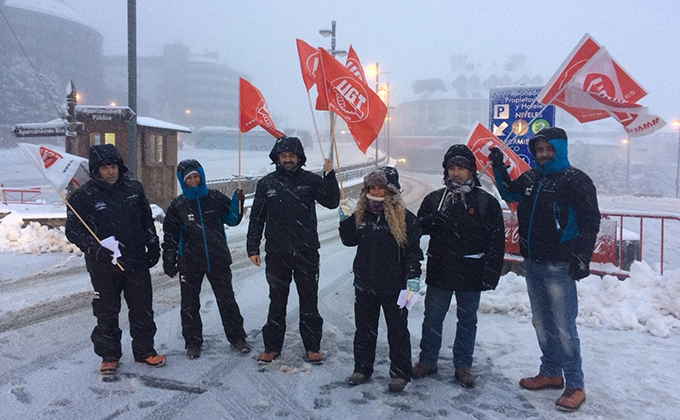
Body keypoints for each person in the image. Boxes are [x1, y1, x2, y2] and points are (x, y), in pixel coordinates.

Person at [488, 127, 600, 412]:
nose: (544, 154)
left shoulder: (576, 181)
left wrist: (581, 256)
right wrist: (498, 167)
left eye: (549, 149)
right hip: (533, 263)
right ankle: (551, 372)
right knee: (541, 323)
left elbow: (589, 221)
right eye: (540, 150)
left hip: (560, 265)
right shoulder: (532, 177)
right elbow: (508, 192)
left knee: (564, 327)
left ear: (560, 149)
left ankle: (575, 384)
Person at [65, 144, 165, 375]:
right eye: (105, 168)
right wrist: (93, 248)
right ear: (95, 170)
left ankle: (145, 351)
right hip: (103, 265)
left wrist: (152, 244)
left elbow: (146, 220)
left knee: (142, 308)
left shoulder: (134, 188)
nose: (111, 172)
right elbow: (74, 230)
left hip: (136, 260)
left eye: (113, 166)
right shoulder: (83, 196)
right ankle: (109, 355)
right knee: (106, 311)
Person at [411, 144, 505, 389]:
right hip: (441, 267)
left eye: (461, 168)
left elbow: (497, 240)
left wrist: (491, 272)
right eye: (451, 167)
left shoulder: (486, 202)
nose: (456, 173)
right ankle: (428, 360)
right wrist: (430, 221)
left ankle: (463, 365)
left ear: (472, 171)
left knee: (467, 319)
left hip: (471, 270)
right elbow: (416, 229)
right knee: (432, 317)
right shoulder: (435, 199)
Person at [246, 136, 340, 365]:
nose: (288, 160)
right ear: (277, 158)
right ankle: (271, 347)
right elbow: (257, 217)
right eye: (284, 156)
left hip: (306, 251)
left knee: (309, 300)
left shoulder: (310, 181)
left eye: (292, 156)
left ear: (300, 157)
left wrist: (329, 176)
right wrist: (252, 246)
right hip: (277, 252)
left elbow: (331, 201)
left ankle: (312, 346)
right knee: (277, 300)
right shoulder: (266, 183)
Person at [339, 167, 423, 393]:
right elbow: (349, 241)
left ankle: (400, 373)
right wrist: (346, 219)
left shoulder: (405, 218)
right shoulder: (362, 214)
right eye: (372, 187)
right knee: (364, 330)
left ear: (391, 190)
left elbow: (413, 251)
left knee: (398, 331)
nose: (376, 191)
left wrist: (413, 277)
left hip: (396, 287)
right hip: (365, 283)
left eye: (381, 187)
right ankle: (362, 368)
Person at [162, 159, 250, 360]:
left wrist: (238, 203)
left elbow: (232, 220)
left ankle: (237, 337)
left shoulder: (215, 197)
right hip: (189, 261)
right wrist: (169, 260)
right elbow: (170, 236)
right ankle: (193, 342)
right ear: (183, 181)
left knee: (227, 301)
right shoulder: (178, 205)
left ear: (201, 177)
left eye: (196, 176)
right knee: (190, 305)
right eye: (189, 178)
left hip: (217, 259)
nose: (193, 180)